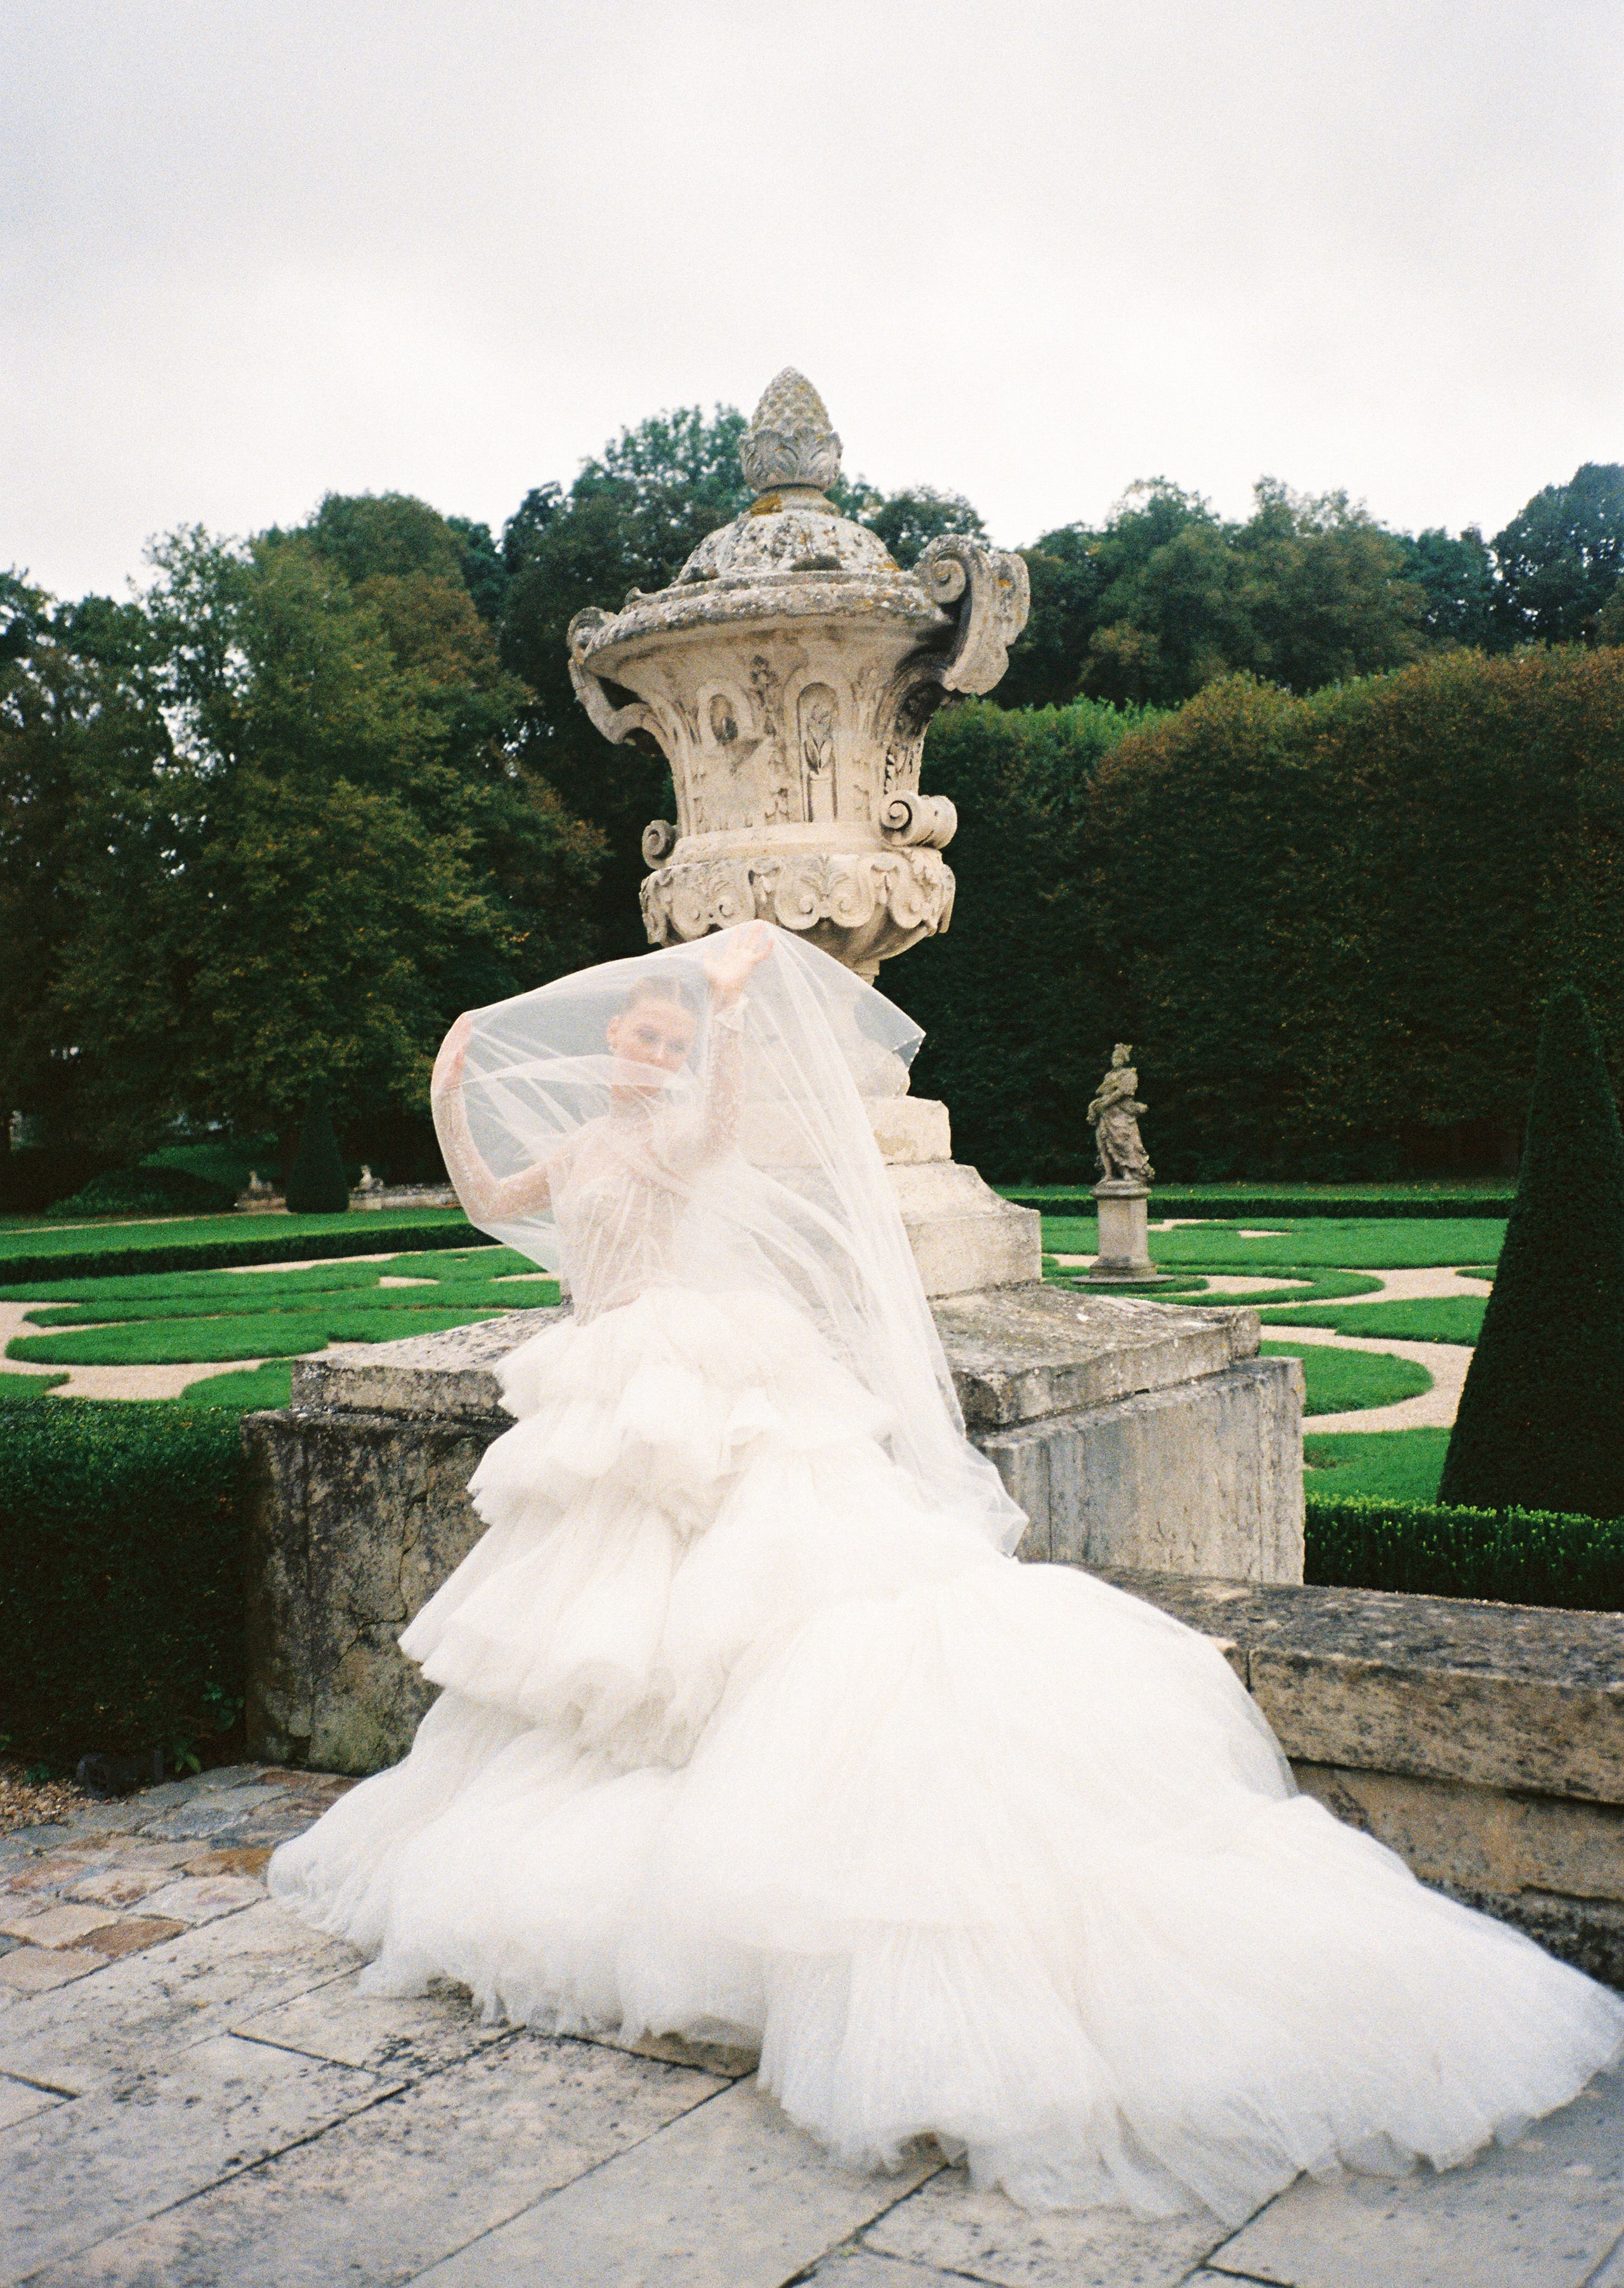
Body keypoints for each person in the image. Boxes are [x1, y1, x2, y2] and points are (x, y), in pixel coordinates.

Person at [270, 924, 1623, 2221]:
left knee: (736, 1604)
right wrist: (453, 1090)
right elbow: (491, 1200)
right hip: (601, 1393)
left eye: (648, 1031)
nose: (630, 1045)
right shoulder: (577, 1140)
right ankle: (637, 1815)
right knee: (611, 1622)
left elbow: (724, 1120)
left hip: (697, 1379)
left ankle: (737, 1816)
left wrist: (727, 1013)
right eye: (627, 1030)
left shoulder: (681, 1131)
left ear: (665, 1052)